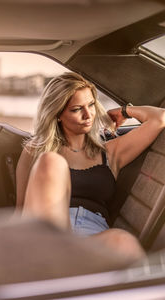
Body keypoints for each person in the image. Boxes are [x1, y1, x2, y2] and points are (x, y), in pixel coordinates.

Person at [16, 72, 165, 263]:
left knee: (123, 242)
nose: (88, 115)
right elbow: (20, 210)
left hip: (92, 238)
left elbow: (160, 118)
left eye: (92, 105)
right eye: (77, 109)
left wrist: (125, 111)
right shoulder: (35, 151)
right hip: (46, 236)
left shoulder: (110, 152)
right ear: (58, 114)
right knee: (50, 162)